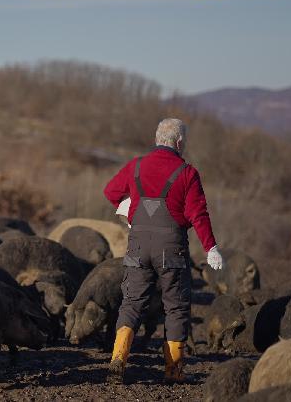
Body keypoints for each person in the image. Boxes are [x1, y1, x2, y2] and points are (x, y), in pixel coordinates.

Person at [101, 118, 222, 384]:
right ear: (179, 143)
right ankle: (174, 371)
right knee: (176, 308)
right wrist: (211, 247)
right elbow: (197, 214)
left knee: (132, 302)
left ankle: (117, 360)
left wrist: (130, 208)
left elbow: (110, 192)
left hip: (138, 246)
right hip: (172, 250)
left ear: (157, 138)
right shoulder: (188, 173)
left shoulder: (136, 166)